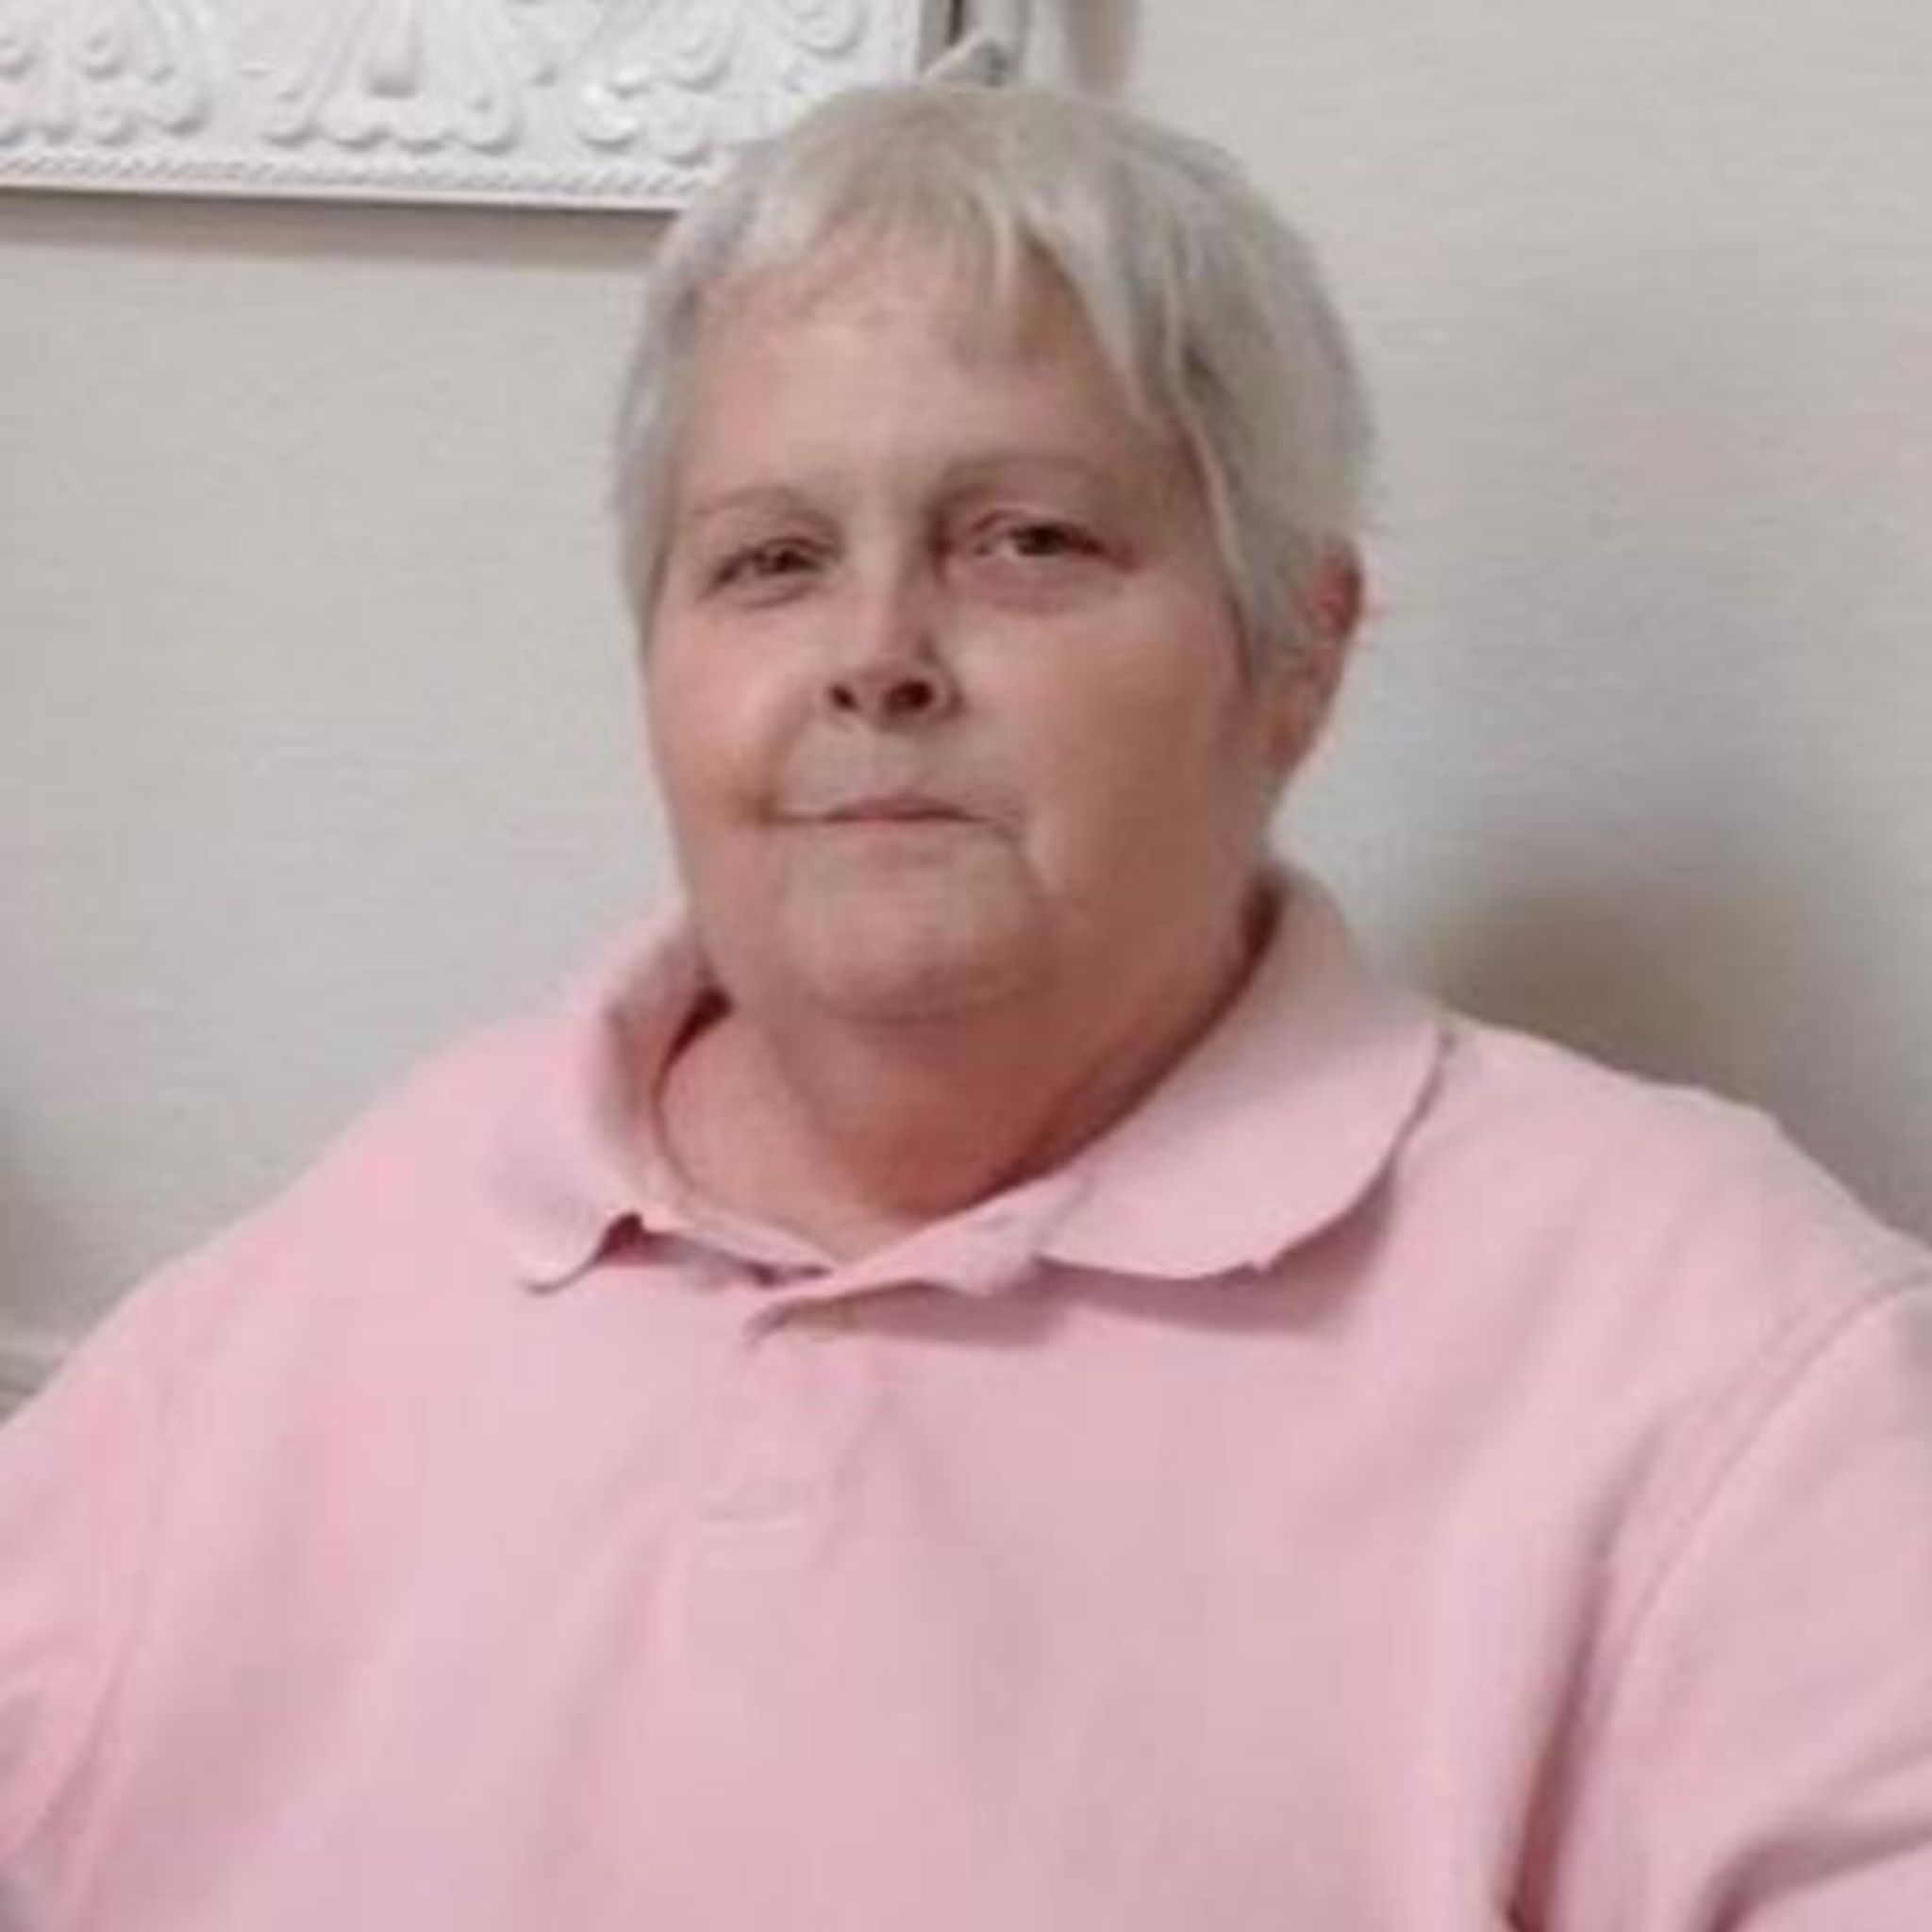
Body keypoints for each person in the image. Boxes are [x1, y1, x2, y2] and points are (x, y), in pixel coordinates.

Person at [2, 81, 1929, 1932]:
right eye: (769, 562)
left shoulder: (1714, 1359)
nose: (877, 657)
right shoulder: (373, 1245)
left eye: (1025, 542)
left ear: (1296, 653)